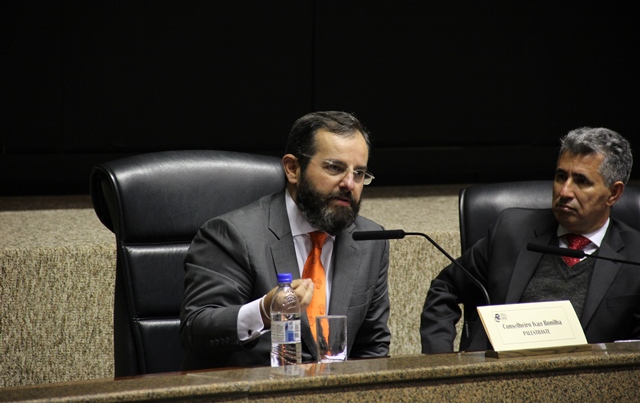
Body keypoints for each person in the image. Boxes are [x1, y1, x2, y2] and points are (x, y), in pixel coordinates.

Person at [180, 111, 391, 369]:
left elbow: (372, 346)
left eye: (359, 173)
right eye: (335, 168)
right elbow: (197, 329)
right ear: (293, 169)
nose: (349, 183)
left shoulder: (370, 240)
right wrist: (264, 311)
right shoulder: (234, 234)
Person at [421, 127, 640, 354]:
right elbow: (445, 287)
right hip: (493, 378)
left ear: (613, 193)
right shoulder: (511, 230)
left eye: (581, 181)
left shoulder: (635, 258)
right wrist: (441, 362)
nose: (564, 191)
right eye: (561, 176)